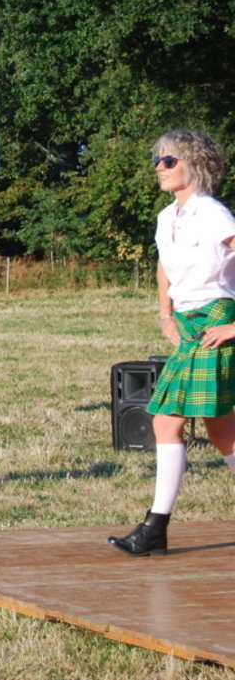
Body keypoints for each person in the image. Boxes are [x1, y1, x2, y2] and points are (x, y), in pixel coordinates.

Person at [109, 128, 235, 556]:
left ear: (195, 164)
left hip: (215, 319)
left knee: (166, 421)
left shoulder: (213, 214)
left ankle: (154, 529)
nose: (159, 168)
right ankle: (155, 531)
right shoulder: (168, 217)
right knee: (222, 430)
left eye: (168, 160)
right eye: (157, 161)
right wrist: (165, 313)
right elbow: (165, 265)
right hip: (188, 321)